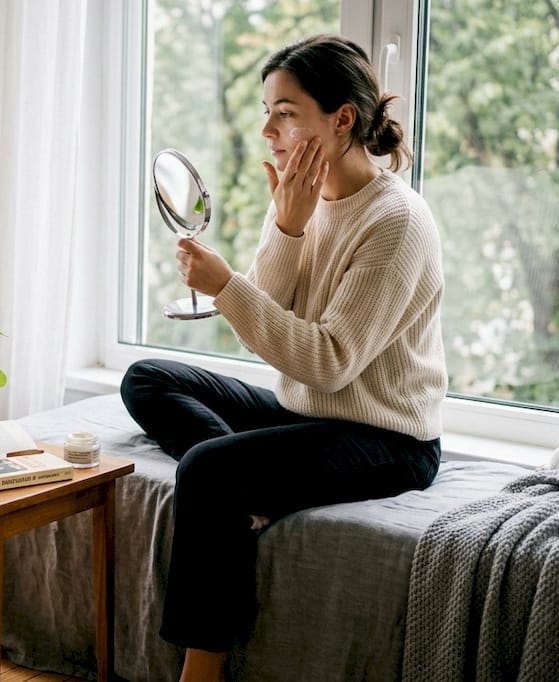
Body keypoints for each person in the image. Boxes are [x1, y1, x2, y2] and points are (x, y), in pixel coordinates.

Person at [121, 34, 447, 682]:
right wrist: (288, 227)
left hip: (385, 436)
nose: (267, 128)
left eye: (285, 112)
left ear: (342, 119)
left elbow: (329, 362)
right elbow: (260, 328)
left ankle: (200, 671)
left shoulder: (397, 222)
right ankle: (245, 498)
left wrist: (223, 285)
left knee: (209, 470)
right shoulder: (303, 198)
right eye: (267, 110)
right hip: (305, 412)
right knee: (146, 379)